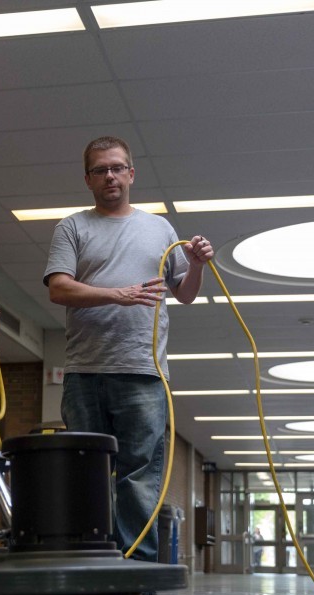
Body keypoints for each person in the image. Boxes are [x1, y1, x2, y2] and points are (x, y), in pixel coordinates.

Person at [44, 136, 214, 564]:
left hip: (143, 370)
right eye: (100, 170)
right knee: (88, 472)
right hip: (85, 371)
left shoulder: (159, 228)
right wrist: (114, 294)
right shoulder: (72, 226)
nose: (110, 176)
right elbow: (59, 288)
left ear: (132, 174)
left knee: (139, 476)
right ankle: (88, 562)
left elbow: (186, 295)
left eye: (118, 168)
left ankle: (137, 567)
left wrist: (196, 265)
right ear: (88, 179)